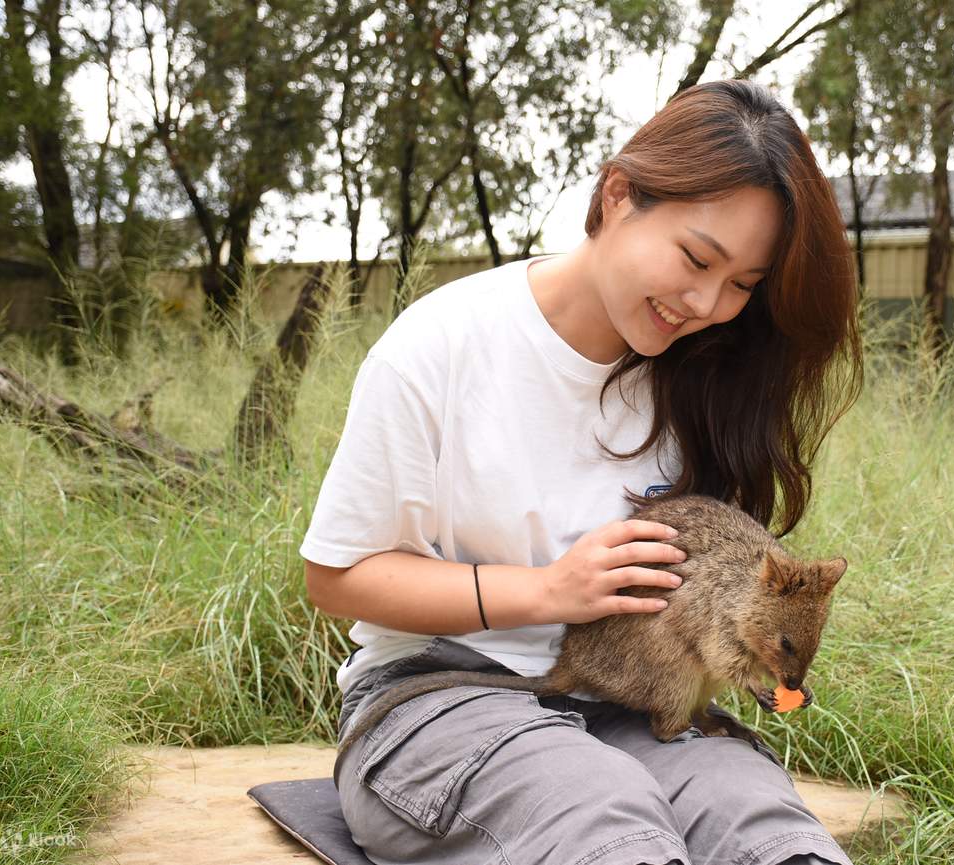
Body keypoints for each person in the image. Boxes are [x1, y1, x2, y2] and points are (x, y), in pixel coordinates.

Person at [300, 78, 865, 865]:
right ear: (618, 194)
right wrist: (545, 591)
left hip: (633, 699)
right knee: (605, 823)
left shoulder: (705, 370)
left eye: (742, 285)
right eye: (697, 258)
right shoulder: (441, 344)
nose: (707, 301)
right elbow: (336, 575)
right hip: (445, 693)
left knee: (764, 831)